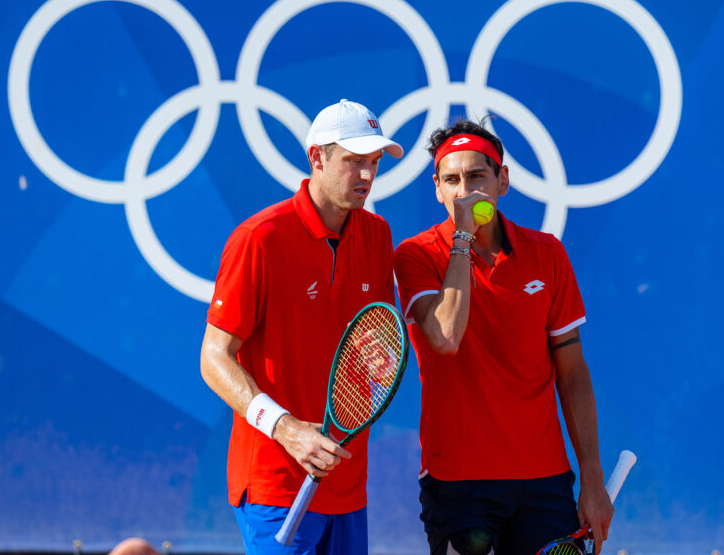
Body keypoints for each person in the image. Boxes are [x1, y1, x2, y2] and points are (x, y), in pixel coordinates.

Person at [393, 120, 614, 555]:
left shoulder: (548, 253)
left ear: (503, 180)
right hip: (458, 486)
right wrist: (462, 237)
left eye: (477, 176)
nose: (466, 192)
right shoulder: (415, 255)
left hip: (545, 482)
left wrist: (592, 478)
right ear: (436, 189)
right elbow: (445, 337)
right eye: (452, 180)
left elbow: (572, 373)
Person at [200, 99, 402, 555]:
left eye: (373, 163)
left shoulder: (377, 234)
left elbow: (377, 341)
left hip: (347, 485)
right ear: (317, 157)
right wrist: (287, 428)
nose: (367, 177)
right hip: (275, 486)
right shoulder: (260, 238)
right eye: (354, 162)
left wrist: (381, 357)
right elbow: (213, 358)